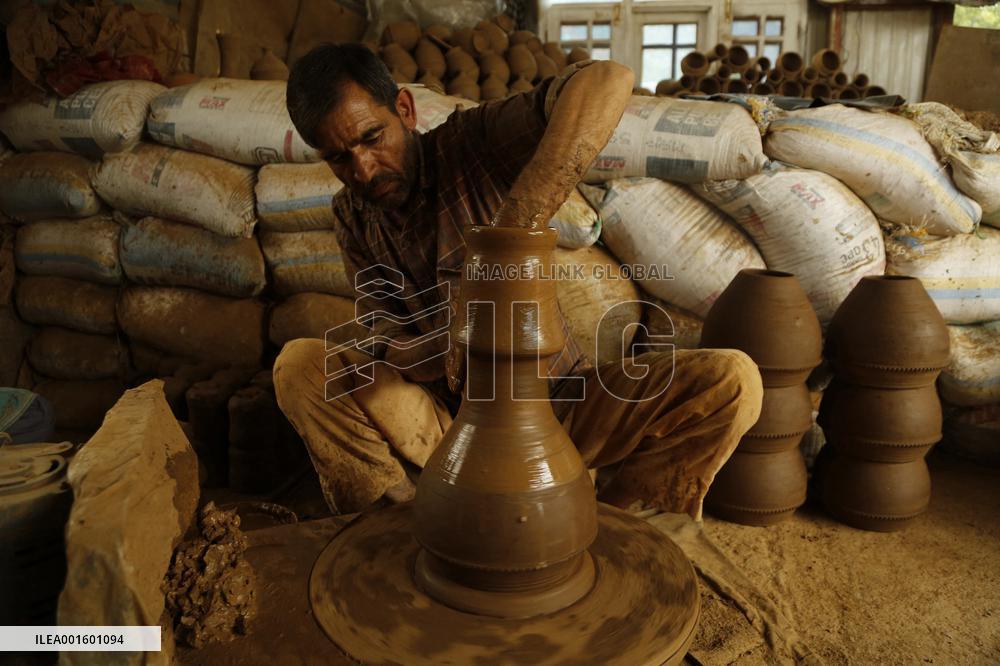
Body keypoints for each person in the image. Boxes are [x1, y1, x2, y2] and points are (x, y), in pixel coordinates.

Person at [273, 43, 763, 519]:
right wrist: (446, 346)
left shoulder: (472, 144)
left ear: (404, 108)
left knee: (733, 380)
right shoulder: (353, 215)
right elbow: (382, 337)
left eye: (371, 138)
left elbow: (606, 79)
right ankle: (405, 517)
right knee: (302, 366)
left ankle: (608, 521)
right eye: (338, 158)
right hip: (450, 425)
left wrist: (509, 237)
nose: (362, 168)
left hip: (563, 404)